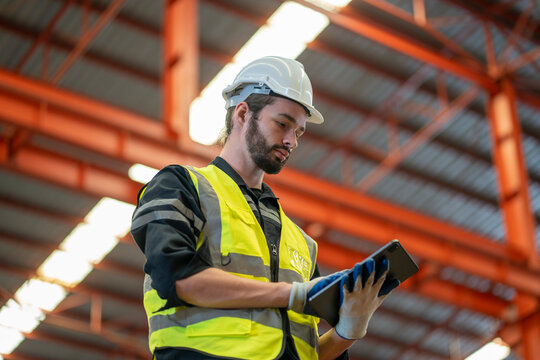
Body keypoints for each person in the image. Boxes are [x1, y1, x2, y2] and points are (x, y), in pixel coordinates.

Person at [131, 56, 398, 360]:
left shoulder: (301, 243)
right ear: (243, 114)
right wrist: (292, 294)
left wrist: (345, 334)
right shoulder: (183, 185)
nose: (291, 141)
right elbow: (175, 277)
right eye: (283, 123)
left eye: (298, 131)